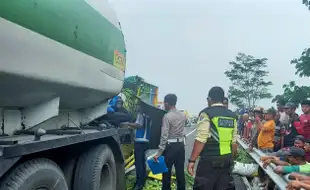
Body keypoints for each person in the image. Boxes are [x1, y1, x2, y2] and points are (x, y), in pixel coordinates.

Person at [187, 86, 237, 190]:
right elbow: (234, 142)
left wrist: (192, 160)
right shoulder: (232, 116)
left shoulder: (207, 113)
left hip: (209, 162)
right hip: (226, 160)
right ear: (223, 99)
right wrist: (230, 160)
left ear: (209, 99)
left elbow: (201, 140)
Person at [154, 94, 186, 190]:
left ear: (167, 103)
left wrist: (159, 153)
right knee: (180, 172)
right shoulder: (182, 115)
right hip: (180, 146)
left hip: (170, 147)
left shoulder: (167, 116)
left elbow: (164, 135)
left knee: (166, 173)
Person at [124, 102, 152, 190]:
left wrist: (128, 124)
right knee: (142, 163)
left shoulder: (141, 115)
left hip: (139, 141)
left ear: (141, 107)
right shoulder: (149, 116)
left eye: (138, 105)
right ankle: (142, 181)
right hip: (146, 141)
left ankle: (139, 184)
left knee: (138, 163)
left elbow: (139, 125)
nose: (136, 107)